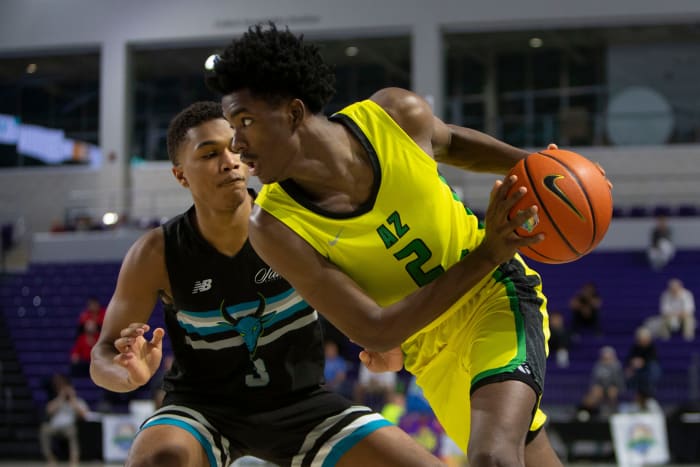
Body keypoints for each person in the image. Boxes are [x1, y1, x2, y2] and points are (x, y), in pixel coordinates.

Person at [206, 23, 583, 466]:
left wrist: (543, 168)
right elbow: (374, 330)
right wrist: (490, 251)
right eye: (232, 127)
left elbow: (452, 142)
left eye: (245, 122)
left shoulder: (393, 115)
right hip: (431, 355)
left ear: (292, 112)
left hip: (495, 299)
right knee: (527, 457)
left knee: (492, 457)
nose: (236, 144)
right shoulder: (273, 226)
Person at [90, 101, 443, 467]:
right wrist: (126, 374)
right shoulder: (156, 252)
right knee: (158, 458)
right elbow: (102, 354)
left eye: (234, 148)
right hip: (201, 410)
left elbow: (367, 301)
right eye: (210, 153)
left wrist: (381, 340)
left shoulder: (299, 221)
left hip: (303, 404)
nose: (229, 161)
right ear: (181, 175)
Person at [39, 373, 89, 467]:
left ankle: (74, 459)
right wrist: (61, 397)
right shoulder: (57, 400)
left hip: (68, 427)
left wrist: (72, 399)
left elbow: (83, 414)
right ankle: (51, 459)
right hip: (54, 426)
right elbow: (48, 410)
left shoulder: (77, 401)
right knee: (44, 429)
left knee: (72, 432)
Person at [577, 346, 625, 419]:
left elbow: (619, 381)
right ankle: (588, 413)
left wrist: (614, 387)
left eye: (608, 358)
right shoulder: (598, 366)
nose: (606, 360)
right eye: (604, 358)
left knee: (612, 392)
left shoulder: (617, 366)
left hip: (613, 388)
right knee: (594, 393)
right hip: (601, 388)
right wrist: (597, 387)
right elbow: (594, 380)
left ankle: (612, 413)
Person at [624, 327, 662, 411]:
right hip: (638, 373)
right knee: (630, 374)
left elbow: (652, 360)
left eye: (644, 339)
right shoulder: (635, 347)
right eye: (641, 339)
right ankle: (638, 399)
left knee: (652, 370)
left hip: (648, 373)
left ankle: (648, 397)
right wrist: (632, 365)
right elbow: (629, 360)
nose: (642, 341)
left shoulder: (652, 348)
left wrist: (642, 362)